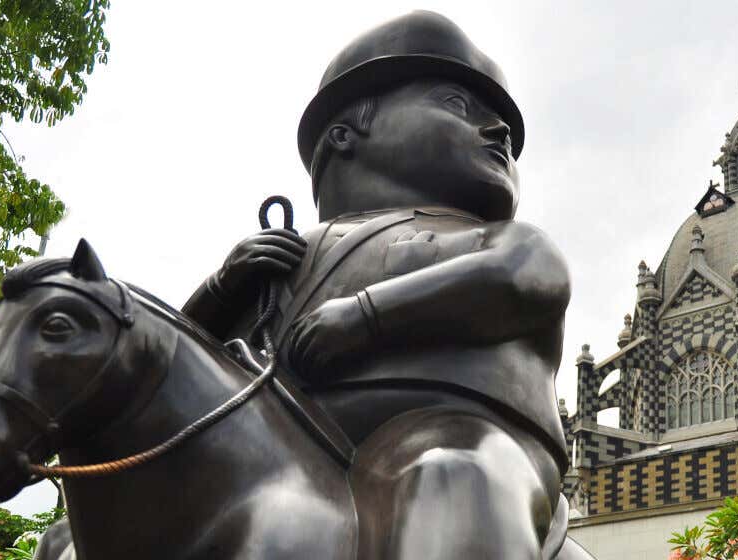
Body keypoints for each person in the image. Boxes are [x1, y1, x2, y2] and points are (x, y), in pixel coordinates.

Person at [183, 11, 571, 559]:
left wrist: (366, 316)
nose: (500, 132)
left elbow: (530, 274)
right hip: (283, 466)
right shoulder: (276, 261)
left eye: (499, 121)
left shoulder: (496, 240)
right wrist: (222, 290)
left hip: (465, 441)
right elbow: (171, 365)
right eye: (459, 105)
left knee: (452, 476)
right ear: (344, 134)